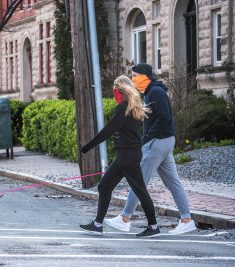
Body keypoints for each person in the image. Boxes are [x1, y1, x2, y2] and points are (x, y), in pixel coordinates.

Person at [105, 63, 197, 235]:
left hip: (157, 142)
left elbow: (164, 118)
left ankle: (125, 218)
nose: (133, 79)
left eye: (135, 75)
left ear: (144, 76)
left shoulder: (155, 92)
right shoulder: (151, 91)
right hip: (164, 141)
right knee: (172, 182)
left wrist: (146, 138)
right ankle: (187, 219)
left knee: (137, 181)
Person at [79, 75, 160, 238]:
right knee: (104, 186)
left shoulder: (124, 108)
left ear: (120, 90)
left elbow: (108, 130)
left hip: (127, 157)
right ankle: (97, 224)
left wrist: (87, 147)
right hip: (125, 155)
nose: (113, 93)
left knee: (140, 190)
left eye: (114, 90)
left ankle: (153, 227)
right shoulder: (132, 107)